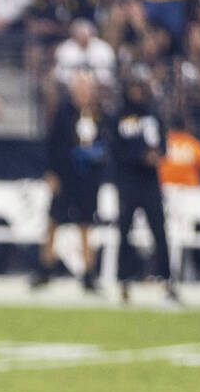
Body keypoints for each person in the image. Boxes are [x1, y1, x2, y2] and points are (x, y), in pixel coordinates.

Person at [32, 70, 109, 292]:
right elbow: (52, 144)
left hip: (88, 178)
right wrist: (51, 172)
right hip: (65, 176)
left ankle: (88, 272)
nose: (84, 92)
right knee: (54, 220)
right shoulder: (63, 112)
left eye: (87, 88)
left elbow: (105, 144)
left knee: (86, 224)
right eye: (80, 87)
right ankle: (44, 268)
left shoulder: (98, 113)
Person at [113, 77, 176, 305]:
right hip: (129, 181)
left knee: (159, 231)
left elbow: (164, 146)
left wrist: (156, 155)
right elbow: (115, 149)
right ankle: (123, 280)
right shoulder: (119, 116)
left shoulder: (153, 115)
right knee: (124, 232)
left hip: (150, 182)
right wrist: (140, 157)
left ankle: (166, 280)